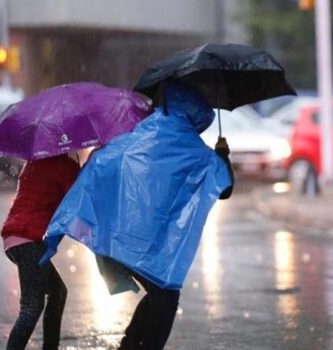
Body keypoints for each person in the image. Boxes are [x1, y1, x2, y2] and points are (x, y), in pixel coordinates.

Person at [40, 82, 233, 350]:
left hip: (121, 243)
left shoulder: (142, 132)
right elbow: (224, 188)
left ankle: (129, 344)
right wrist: (222, 154)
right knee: (165, 296)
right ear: (196, 110)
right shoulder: (192, 146)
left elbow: (103, 162)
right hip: (152, 249)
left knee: (159, 294)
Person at [1, 152, 80, 350]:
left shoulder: (34, 161)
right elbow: (79, 196)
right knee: (31, 306)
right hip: (28, 240)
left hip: (15, 238)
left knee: (58, 292)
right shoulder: (63, 166)